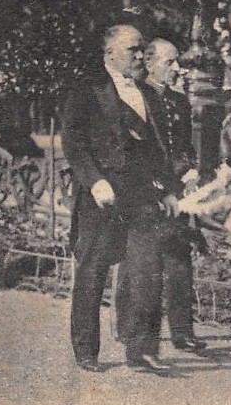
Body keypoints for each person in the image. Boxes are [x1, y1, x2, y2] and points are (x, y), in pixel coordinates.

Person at [61, 24, 185, 375]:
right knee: (92, 271)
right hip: (103, 196)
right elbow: (73, 142)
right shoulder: (87, 91)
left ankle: (141, 348)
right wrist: (95, 181)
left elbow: (161, 149)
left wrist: (171, 189)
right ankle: (86, 350)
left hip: (142, 195)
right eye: (132, 50)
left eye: (143, 49)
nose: (140, 56)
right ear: (109, 55)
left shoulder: (150, 94)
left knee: (147, 269)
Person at [144, 38, 209, 357]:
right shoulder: (137, 96)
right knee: (142, 264)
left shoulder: (179, 101)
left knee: (180, 260)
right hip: (148, 190)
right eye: (169, 62)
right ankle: (134, 333)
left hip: (177, 191)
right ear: (149, 63)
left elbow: (184, 146)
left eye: (176, 62)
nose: (176, 68)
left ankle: (183, 332)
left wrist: (191, 173)